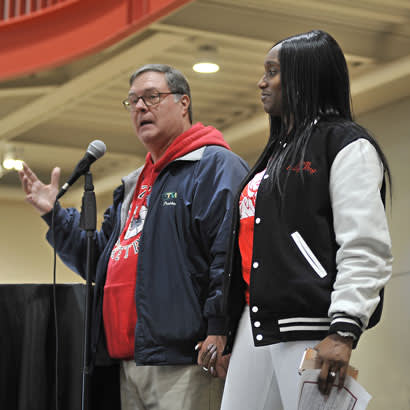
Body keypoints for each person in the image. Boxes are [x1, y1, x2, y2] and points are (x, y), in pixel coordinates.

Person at [19, 64, 249, 410]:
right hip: (128, 359)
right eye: (133, 102)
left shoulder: (214, 166)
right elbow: (100, 262)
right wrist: (55, 215)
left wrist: (220, 330)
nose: (141, 107)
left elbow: (227, 256)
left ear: (184, 103)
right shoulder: (133, 183)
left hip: (186, 359)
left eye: (152, 97)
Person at [213, 30, 393, 410]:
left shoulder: (345, 145)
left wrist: (343, 331)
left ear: (303, 78)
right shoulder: (274, 155)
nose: (261, 82)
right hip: (256, 323)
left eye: (273, 72)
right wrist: (225, 329)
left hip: (310, 324)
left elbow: (365, 246)